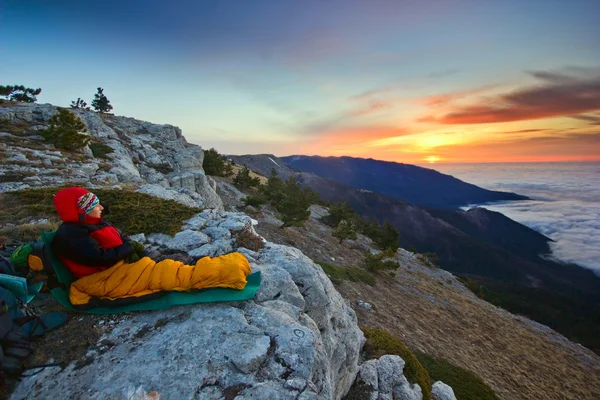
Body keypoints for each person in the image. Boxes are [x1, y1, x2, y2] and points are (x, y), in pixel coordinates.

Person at [50, 187, 251, 307]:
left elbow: (116, 243)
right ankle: (229, 271)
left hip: (124, 267)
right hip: (107, 278)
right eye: (95, 205)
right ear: (81, 212)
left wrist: (132, 248)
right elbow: (99, 257)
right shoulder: (71, 235)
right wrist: (128, 248)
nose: (101, 208)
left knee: (168, 264)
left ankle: (213, 265)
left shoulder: (91, 224)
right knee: (171, 275)